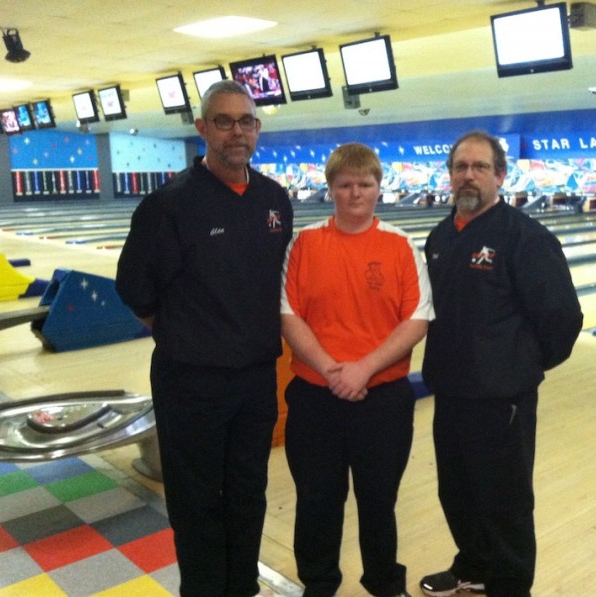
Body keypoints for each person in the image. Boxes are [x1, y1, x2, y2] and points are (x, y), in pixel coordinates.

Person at [115, 79, 293, 597]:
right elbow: (136, 291)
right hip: (190, 382)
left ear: (256, 129)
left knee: (247, 491)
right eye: (224, 121)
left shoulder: (273, 198)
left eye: (246, 121)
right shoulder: (168, 206)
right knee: (195, 500)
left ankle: (243, 587)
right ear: (202, 128)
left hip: (256, 380)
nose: (236, 132)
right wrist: (189, 336)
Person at [419, 130, 583, 597]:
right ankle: (473, 567)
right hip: (450, 392)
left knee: (505, 501)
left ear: (500, 175)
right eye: (460, 167)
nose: (468, 176)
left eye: (480, 167)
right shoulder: (441, 234)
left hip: (500, 398)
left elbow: (562, 318)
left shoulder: (526, 238)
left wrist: (517, 367)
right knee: (457, 492)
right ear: (450, 175)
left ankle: (510, 586)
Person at [280, 142, 434, 597]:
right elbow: (289, 316)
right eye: (345, 184)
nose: (355, 193)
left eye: (364, 184)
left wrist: (362, 369)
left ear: (378, 188)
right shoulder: (305, 243)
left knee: (378, 501)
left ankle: (385, 584)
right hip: (314, 397)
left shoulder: (401, 245)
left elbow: (417, 319)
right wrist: (333, 370)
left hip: (382, 399)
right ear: (330, 189)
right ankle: (319, 585)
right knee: (316, 500)